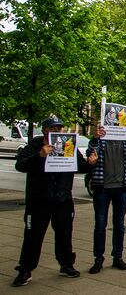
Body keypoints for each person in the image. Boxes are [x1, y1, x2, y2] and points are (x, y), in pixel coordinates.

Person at [12, 116, 98, 287]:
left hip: (63, 200)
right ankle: (25, 269)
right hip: (39, 200)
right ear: (45, 130)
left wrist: (90, 164)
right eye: (53, 129)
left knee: (64, 234)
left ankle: (66, 265)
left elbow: (80, 166)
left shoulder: (68, 145)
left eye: (59, 129)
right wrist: (40, 156)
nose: (57, 132)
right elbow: (20, 165)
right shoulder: (35, 145)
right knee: (33, 236)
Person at [86, 114, 126, 274]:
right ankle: (98, 259)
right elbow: (90, 153)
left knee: (119, 224)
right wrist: (95, 137)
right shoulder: (101, 140)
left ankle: (117, 256)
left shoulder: (125, 140)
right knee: (100, 224)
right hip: (102, 187)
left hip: (122, 187)